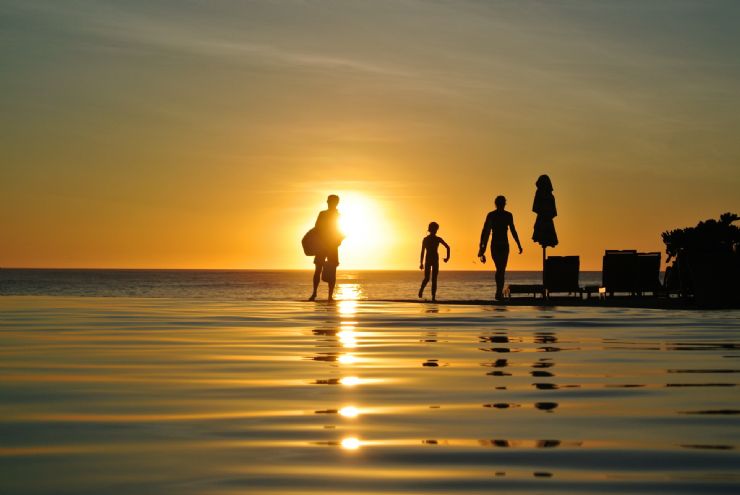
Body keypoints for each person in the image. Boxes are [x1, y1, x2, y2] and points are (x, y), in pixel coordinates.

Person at [478, 195, 523, 300]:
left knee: (500, 269)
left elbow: (485, 231)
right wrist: (481, 247)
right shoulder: (501, 215)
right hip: (499, 245)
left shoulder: (499, 215)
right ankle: (498, 292)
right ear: (503, 203)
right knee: (500, 269)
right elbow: (486, 231)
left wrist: (519, 244)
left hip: (500, 245)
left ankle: (498, 292)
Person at [309, 195, 344, 302]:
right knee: (318, 269)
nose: (329, 203)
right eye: (329, 201)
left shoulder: (337, 215)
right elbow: (317, 227)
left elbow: (338, 228)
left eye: (332, 202)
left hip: (332, 245)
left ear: (336, 203)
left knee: (332, 270)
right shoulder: (323, 213)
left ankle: (330, 296)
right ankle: (314, 293)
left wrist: (339, 238)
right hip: (322, 245)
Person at [418, 222, 450, 302]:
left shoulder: (438, 239)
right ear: (431, 229)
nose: (435, 231)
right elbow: (422, 251)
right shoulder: (426, 239)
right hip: (429, 260)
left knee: (434, 279)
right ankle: (421, 290)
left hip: (434, 260)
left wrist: (447, 258)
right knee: (427, 278)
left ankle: (433, 297)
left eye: (435, 229)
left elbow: (448, 247)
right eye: (434, 229)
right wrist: (421, 263)